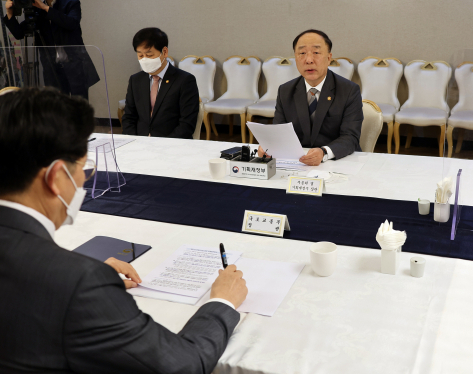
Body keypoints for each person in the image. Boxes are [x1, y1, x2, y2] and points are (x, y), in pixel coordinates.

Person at [0, 87, 248, 373]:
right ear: (56, 177)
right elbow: (182, 365)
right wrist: (222, 301)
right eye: (84, 169)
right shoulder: (81, 282)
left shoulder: (69, 277)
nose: (83, 179)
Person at [259, 29, 363, 166]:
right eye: (302, 53)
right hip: (298, 163)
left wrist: (324, 152)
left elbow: (351, 137)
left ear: (329, 57)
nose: (308, 60)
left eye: (316, 53)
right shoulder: (285, 91)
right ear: (295, 58)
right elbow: (280, 132)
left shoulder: (349, 90)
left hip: (336, 162)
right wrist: (269, 146)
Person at [2, 0, 100, 99]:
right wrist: (9, 13)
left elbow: (72, 23)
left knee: (79, 103)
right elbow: (19, 34)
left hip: (74, 64)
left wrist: (45, 8)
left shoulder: (70, 2)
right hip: (51, 67)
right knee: (56, 104)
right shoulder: (37, 10)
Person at [122, 27, 199, 139]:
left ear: (164, 52)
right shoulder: (136, 80)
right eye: (140, 55)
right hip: (139, 144)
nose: (144, 59)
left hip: (172, 145)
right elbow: (129, 117)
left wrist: (162, 145)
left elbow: (186, 124)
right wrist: (134, 141)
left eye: (149, 55)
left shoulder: (185, 80)